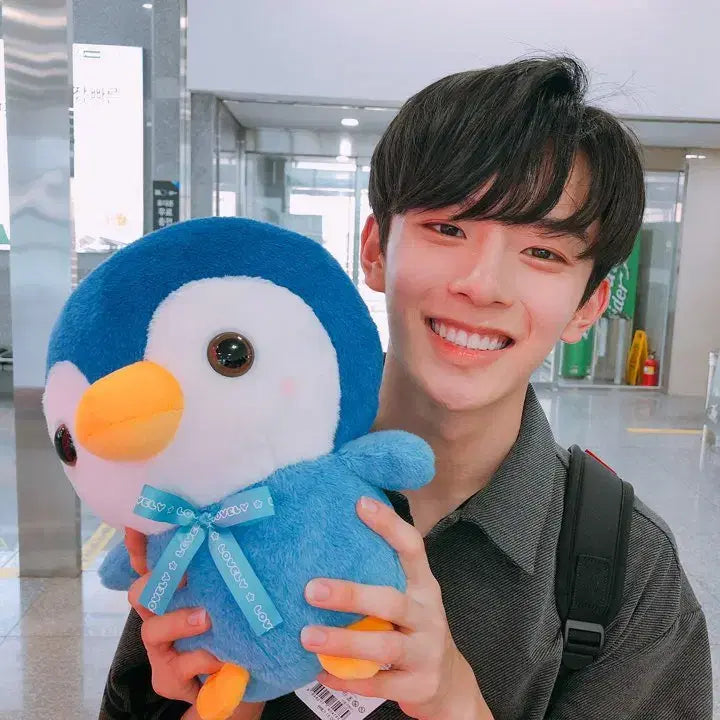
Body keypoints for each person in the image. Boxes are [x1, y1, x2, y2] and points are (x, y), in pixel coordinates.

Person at [99, 56, 713, 720]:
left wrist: (454, 701)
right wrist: (225, 701)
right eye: (449, 228)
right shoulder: (226, 480)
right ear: (375, 250)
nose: (482, 285)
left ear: (588, 304)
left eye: (543, 252)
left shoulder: (625, 570)